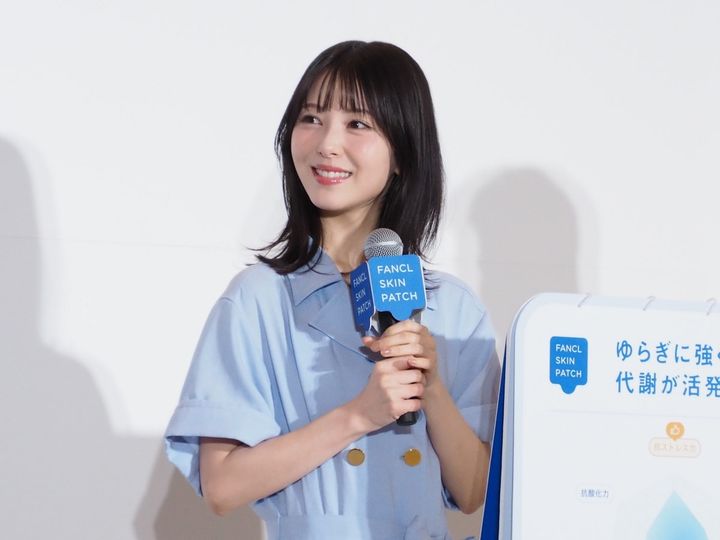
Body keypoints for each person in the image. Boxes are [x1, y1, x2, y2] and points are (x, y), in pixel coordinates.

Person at [165, 40, 500, 540]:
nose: (327, 143)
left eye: (357, 124)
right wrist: (359, 415)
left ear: (403, 152)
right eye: (311, 118)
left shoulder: (453, 308)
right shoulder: (259, 299)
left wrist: (430, 389)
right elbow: (222, 486)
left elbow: (473, 492)